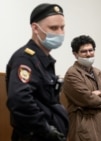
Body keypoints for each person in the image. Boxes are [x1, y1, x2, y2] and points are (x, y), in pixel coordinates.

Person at [6, 3, 69, 141]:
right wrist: (46, 129)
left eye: (62, 27)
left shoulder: (44, 60)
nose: (60, 33)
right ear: (35, 28)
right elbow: (20, 100)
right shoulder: (25, 59)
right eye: (53, 28)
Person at [62, 35, 101, 141]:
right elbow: (88, 100)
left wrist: (100, 93)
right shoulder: (72, 74)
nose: (88, 54)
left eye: (90, 50)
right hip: (86, 127)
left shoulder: (98, 72)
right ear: (75, 54)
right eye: (83, 51)